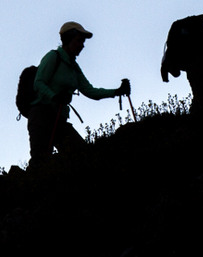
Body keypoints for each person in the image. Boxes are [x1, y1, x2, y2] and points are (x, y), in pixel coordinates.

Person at [27, 22, 130, 167]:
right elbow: (38, 83)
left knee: (81, 154)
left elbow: (89, 91)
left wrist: (117, 91)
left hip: (59, 118)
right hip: (41, 115)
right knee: (41, 161)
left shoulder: (74, 68)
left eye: (83, 41)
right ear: (68, 39)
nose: (82, 45)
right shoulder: (53, 57)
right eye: (79, 40)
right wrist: (54, 96)